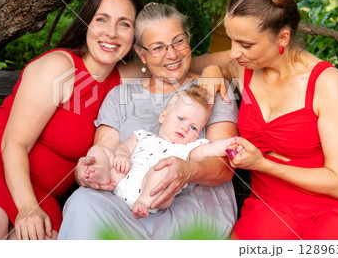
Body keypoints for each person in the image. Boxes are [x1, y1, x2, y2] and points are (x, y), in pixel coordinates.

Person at [0, 0, 144, 240]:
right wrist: (27, 207)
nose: (111, 33)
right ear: (86, 24)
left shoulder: (126, 76)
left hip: (41, 190)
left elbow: (180, 65)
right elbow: (15, 143)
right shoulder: (59, 67)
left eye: (124, 24)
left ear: (135, 36)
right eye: (102, 20)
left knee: (46, 241)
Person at [190, 0, 338, 239]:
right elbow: (180, 66)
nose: (233, 52)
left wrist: (263, 165)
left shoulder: (326, 82)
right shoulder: (242, 66)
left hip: (335, 209)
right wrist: (212, 70)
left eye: (245, 44)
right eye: (231, 40)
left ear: (283, 37)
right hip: (271, 207)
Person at [58, 3, 239, 240]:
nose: (172, 54)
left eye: (178, 42)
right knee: (83, 201)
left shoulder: (211, 89)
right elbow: (103, 152)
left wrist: (188, 171)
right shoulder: (120, 96)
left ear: (189, 39)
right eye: (158, 48)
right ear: (141, 53)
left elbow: (224, 167)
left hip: (192, 207)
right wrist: (89, 169)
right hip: (125, 206)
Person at [84, 85, 239, 219]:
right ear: (163, 116)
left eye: (193, 128)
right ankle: (101, 173)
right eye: (181, 119)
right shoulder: (142, 136)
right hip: (121, 180)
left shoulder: (186, 149)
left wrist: (232, 143)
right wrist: (122, 155)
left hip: (154, 195)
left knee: (167, 167)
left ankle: (142, 202)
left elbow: (209, 149)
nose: (185, 128)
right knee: (99, 149)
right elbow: (125, 146)